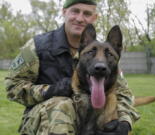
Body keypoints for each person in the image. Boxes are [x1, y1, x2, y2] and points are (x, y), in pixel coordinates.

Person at [5, 0, 140, 135]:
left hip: (89, 118)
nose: (80, 19)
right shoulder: (37, 46)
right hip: (44, 119)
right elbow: (13, 87)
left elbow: (123, 94)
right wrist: (49, 91)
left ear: (94, 17)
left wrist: (124, 123)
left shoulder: (104, 53)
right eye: (75, 11)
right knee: (62, 105)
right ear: (64, 12)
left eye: (87, 13)